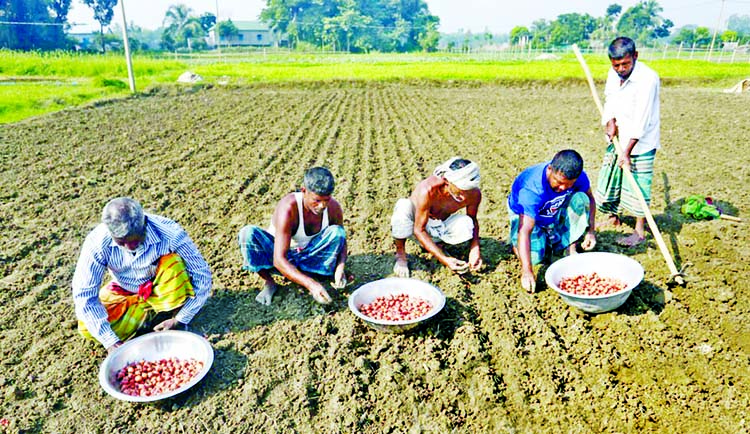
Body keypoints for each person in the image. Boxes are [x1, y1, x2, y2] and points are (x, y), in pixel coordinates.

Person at [72, 197, 212, 353]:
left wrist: (180, 319)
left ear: (145, 223)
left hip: (164, 288)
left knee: (173, 263)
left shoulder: (170, 233)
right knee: (86, 326)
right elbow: (84, 295)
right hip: (127, 290)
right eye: (121, 242)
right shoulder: (97, 243)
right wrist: (111, 342)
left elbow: (202, 275)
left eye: (136, 239)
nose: (130, 247)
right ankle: (149, 315)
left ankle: (173, 312)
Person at [238, 167, 348, 306]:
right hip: (281, 258)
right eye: (317, 200)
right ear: (304, 191)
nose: (322, 206)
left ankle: (313, 273)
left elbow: (342, 242)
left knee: (337, 232)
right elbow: (279, 260)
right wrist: (311, 285)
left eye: (326, 199)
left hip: (310, 255)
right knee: (247, 234)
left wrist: (340, 268)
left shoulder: (333, 208)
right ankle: (270, 283)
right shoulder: (288, 207)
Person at [596, 36, 661, 247]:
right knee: (612, 176)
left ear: (635, 56)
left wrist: (627, 152)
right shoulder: (613, 74)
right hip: (618, 135)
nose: (621, 69)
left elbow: (642, 120)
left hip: (641, 141)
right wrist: (610, 121)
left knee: (639, 183)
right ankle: (613, 216)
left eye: (626, 64)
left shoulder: (648, 79)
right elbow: (610, 100)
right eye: (616, 65)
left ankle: (639, 231)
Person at [508, 150, 597, 293]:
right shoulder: (531, 189)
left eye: (569, 185)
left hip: (553, 209)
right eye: (559, 182)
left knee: (581, 199)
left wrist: (591, 232)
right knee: (535, 259)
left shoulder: (579, 177)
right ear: (550, 169)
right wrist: (527, 271)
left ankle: (569, 246)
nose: (562, 188)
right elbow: (525, 230)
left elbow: (590, 199)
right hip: (527, 217)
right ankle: (514, 243)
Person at [391, 157, 483, 278]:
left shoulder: (474, 194)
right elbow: (419, 230)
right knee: (403, 206)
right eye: (461, 190)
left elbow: (473, 220)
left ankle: (439, 246)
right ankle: (400, 254)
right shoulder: (428, 190)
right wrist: (445, 259)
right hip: (416, 227)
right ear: (447, 181)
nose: (465, 196)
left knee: (466, 223)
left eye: (469, 190)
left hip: (439, 227)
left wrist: (474, 249)